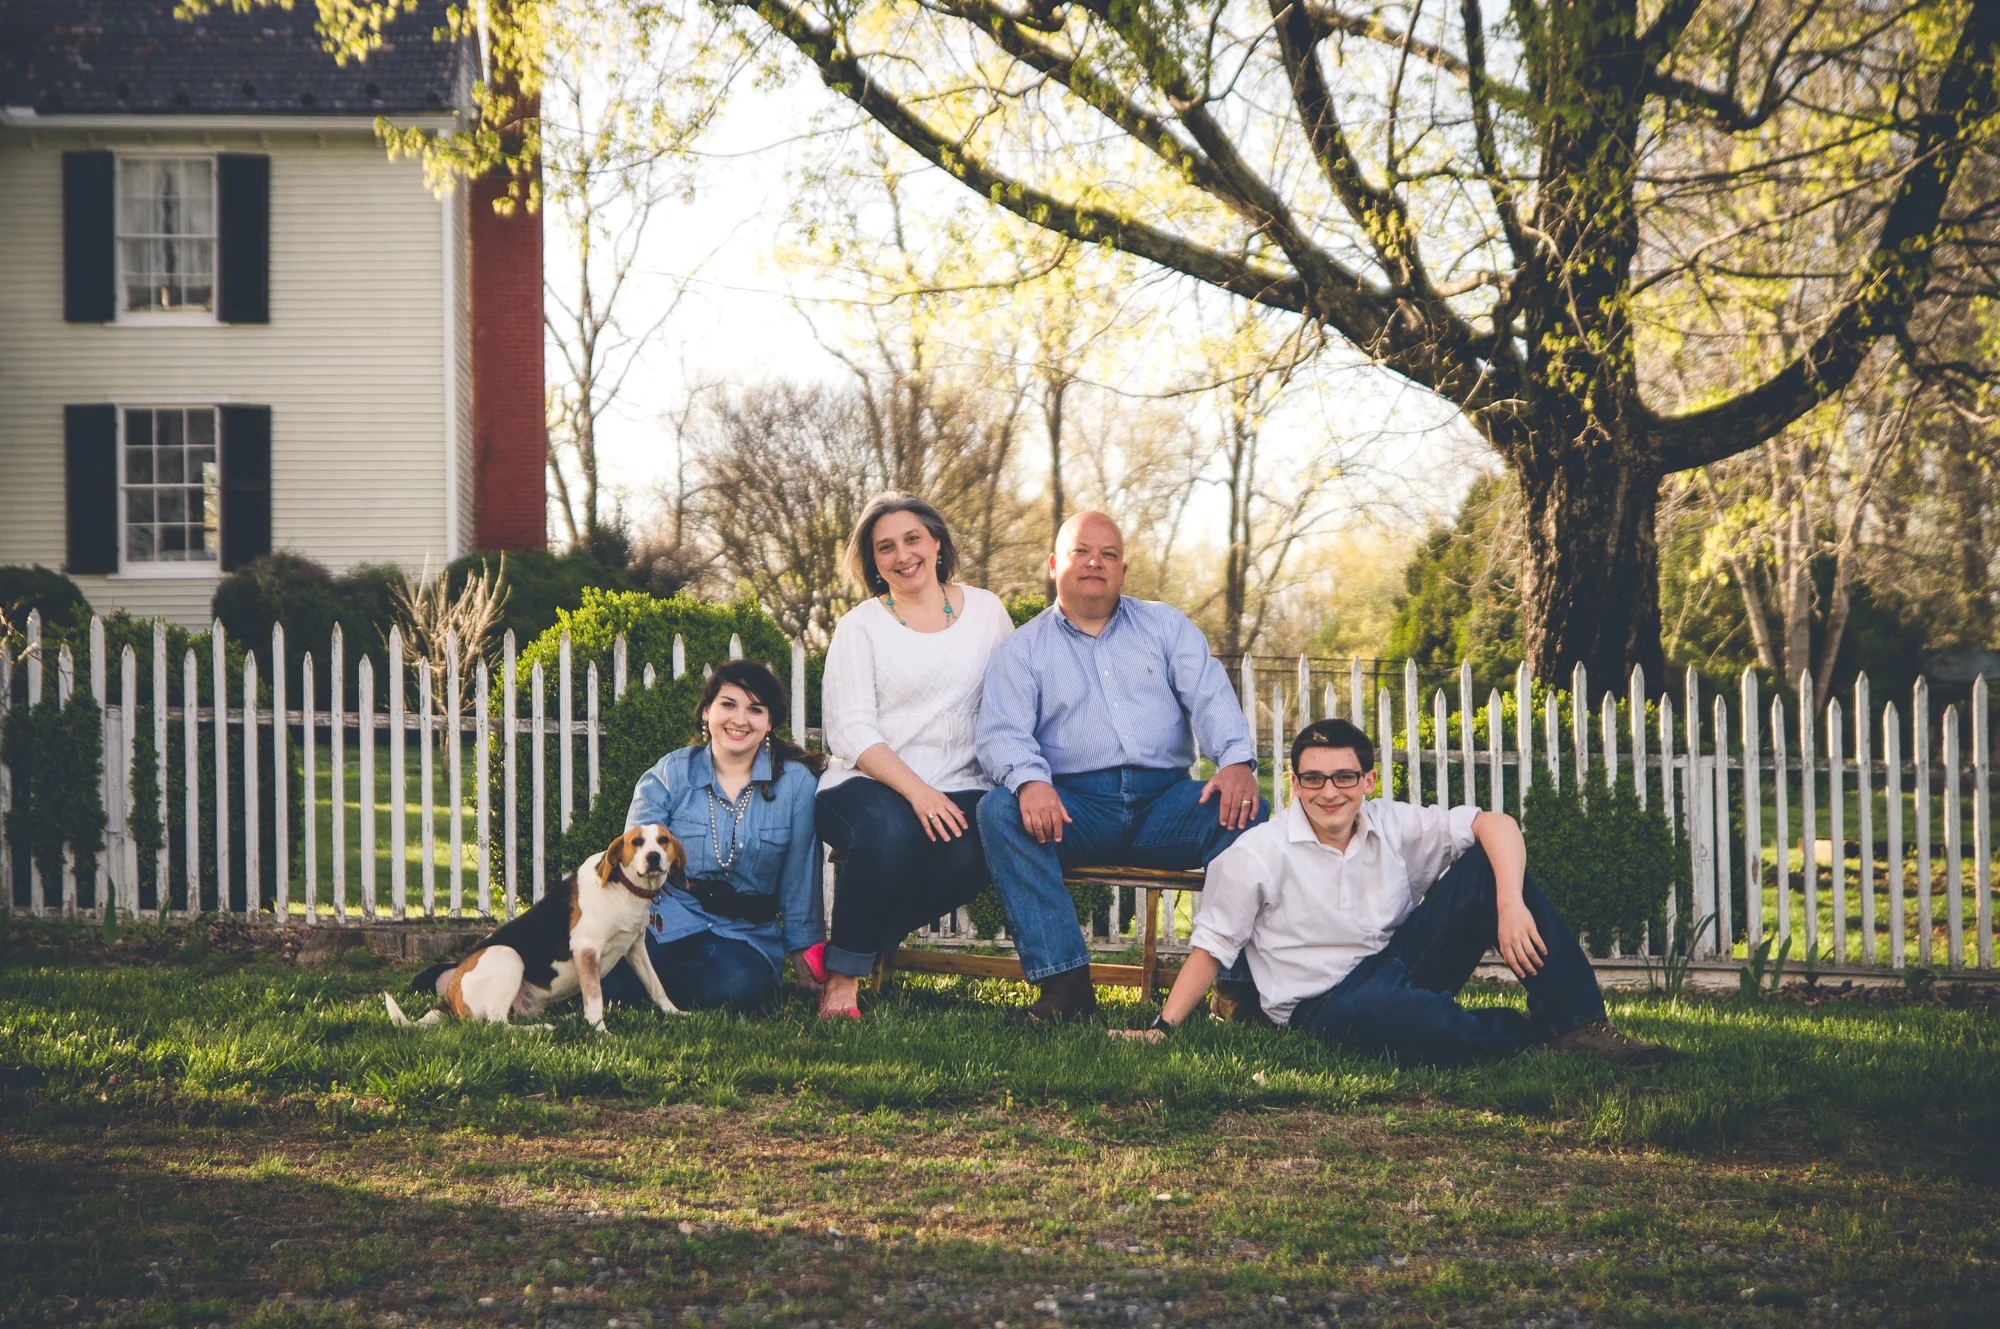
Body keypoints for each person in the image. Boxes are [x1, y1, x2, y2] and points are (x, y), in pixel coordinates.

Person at [1112, 718, 1671, 1066]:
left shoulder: (1391, 822)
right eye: (1313, 778)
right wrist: (1162, 1029)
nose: (1329, 792)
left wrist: (1509, 903)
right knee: (1406, 1024)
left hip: (1399, 962)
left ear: (1368, 781)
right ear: (1294, 783)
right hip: (1321, 1004)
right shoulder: (1255, 855)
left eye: (1344, 777)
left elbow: (1495, 823)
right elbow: (1212, 948)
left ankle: (1578, 1024)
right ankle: (1522, 1037)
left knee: (1491, 866)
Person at [977, 510, 1265, 1023]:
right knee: (999, 809)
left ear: (1123, 571)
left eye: (1109, 554)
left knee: (1246, 810)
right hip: (1074, 810)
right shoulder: (1022, 650)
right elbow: (1002, 733)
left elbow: (1209, 694)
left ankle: (1236, 989)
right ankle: (1066, 987)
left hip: (1166, 805)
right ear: (1053, 565)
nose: (1095, 562)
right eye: (1081, 552)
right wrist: (1029, 781)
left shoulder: (1164, 625)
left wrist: (1236, 760)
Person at [814, 493, 1016, 1020]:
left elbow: (1015, 697)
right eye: (885, 547)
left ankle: (868, 939)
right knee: (892, 829)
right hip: (866, 783)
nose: (902, 555)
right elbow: (850, 729)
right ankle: (842, 977)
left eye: (912, 539)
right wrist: (919, 793)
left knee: (985, 841)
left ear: (936, 543)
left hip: (964, 780)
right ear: (873, 561)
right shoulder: (861, 626)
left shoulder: (988, 612)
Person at [597, 659, 826, 1013]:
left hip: (744, 937)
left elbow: (801, 881)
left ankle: (652, 989)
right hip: (665, 922)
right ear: (706, 713)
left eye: (755, 709)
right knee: (610, 976)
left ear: (769, 723)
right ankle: (643, 983)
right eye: (728, 704)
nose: (739, 719)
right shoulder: (670, 774)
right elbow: (633, 866)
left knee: (737, 986)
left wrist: (804, 960)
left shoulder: (796, 785)